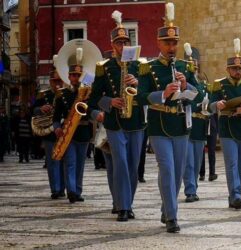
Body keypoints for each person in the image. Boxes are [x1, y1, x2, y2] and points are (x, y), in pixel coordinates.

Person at [136, 2, 198, 233]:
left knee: (179, 172)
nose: (172, 47)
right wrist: (164, 94)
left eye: (174, 43)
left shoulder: (184, 66)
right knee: (167, 169)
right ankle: (172, 216)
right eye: (167, 43)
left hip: (180, 124)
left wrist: (185, 84)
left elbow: (197, 96)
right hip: (159, 125)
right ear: (159, 43)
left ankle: (167, 207)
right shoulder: (148, 68)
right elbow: (141, 97)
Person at [88, 10, 145, 221]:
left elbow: (147, 93)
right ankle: (123, 207)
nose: (122, 46)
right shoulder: (105, 68)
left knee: (133, 165)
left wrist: (138, 84)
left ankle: (128, 202)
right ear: (112, 45)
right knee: (120, 162)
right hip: (115, 122)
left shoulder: (139, 66)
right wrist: (110, 102)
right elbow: (93, 99)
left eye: (125, 42)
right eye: (119, 43)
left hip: (136, 121)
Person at [211, 39, 241, 209]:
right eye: (234, 68)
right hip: (227, 126)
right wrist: (218, 105)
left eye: (239, 68)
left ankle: (236, 193)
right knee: (231, 163)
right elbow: (211, 105)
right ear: (228, 69)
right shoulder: (219, 84)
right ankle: (235, 194)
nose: (238, 71)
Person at [53, 52, 93, 204]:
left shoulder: (87, 93)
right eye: (74, 75)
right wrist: (56, 127)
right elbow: (56, 117)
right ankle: (71, 191)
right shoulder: (61, 94)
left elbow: (90, 112)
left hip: (83, 132)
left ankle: (77, 190)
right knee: (70, 162)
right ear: (69, 77)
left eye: (79, 75)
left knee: (80, 164)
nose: (76, 78)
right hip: (68, 133)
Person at [33, 70, 65, 198]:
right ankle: (55, 189)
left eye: (59, 81)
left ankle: (63, 188)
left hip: (63, 132)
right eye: (54, 81)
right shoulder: (43, 95)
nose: (57, 84)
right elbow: (33, 110)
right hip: (49, 133)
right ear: (50, 82)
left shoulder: (65, 94)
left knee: (64, 162)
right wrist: (40, 109)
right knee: (52, 162)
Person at [183, 46, 209, 204]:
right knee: (188, 161)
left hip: (200, 124)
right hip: (188, 123)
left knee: (197, 160)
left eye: (196, 63)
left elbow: (208, 99)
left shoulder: (204, 83)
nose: (195, 65)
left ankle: (194, 187)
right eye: (192, 63)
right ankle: (190, 190)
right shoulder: (187, 82)